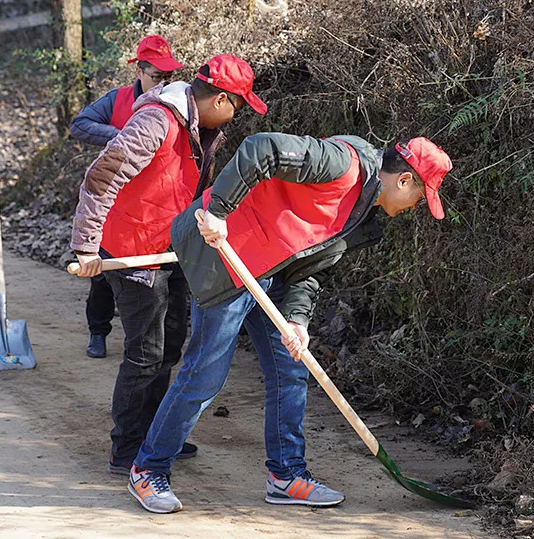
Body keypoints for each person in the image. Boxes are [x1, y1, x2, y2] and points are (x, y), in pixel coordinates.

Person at [127, 134, 453, 513]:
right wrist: (218, 210)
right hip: (224, 257)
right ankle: (147, 469)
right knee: (204, 376)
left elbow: (310, 268)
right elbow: (261, 148)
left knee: (290, 368)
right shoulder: (340, 164)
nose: (415, 207)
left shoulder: (363, 215)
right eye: (420, 197)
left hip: (270, 275)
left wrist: (298, 319)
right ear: (404, 180)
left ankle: (286, 475)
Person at [71, 54, 268, 475]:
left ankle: (156, 436)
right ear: (218, 98)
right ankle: (126, 449)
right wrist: (87, 246)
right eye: (236, 106)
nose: (235, 116)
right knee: (145, 352)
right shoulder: (157, 121)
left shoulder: (201, 129)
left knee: (172, 344)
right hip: (133, 251)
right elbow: (103, 175)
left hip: (172, 248)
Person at [70, 35, 184, 359]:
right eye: (156, 76)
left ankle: (148, 345)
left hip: (152, 210)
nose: (162, 83)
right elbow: (79, 124)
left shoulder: (172, 105)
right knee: (103, 277)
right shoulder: (117, 99)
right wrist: (122, 138)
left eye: (167, 77)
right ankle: (98, 331)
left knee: (155, 284)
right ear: (139, 72)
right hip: (109, 206)